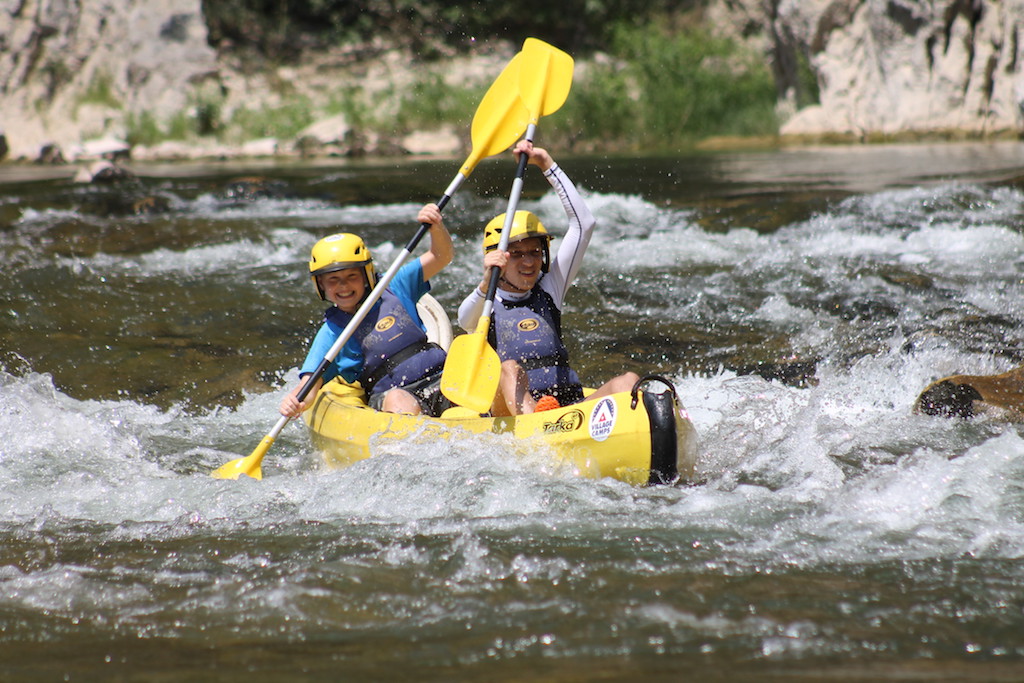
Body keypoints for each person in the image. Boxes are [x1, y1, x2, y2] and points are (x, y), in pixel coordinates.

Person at [457, 141, 639, 416]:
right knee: (508, 368)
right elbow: (464, 320)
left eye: (535, 252)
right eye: (517, 254)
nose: (529, 262)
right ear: (499, 258)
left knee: (628, 382)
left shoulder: (550, 288)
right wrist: (486, 282)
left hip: (565, 409)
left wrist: (546, 165)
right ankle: (538, 436)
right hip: (510, 411)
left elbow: (584, 225)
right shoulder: (485, 302)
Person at [280, 203, 454, 418]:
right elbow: (310, 384)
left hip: (443, 378)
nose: (343, 286)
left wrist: (436, 227)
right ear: (321, 285)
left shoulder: (395, 286)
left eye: (351, 276)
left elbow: (441, 256)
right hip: (393, 396)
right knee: (398, 399)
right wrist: (295, 401)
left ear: (366, 275)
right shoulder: (333, 332)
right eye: (333, 280)